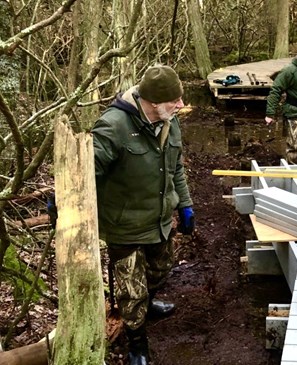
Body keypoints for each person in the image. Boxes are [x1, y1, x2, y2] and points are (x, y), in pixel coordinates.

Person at [92, 64, 194, 365]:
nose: (181, 105)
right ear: (153, 102)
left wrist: (184, 204)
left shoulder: (169, 122)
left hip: (159, 220)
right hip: (124, 226)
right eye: (174, 100)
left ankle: (147, 305)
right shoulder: (114, 126)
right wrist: (61, 201)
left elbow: (176, 167)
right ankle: (137, 344)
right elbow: (84, 169)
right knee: (130, 290)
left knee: (160, 270)